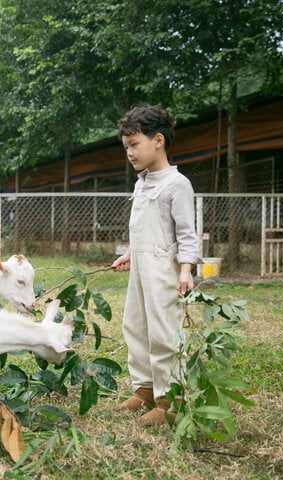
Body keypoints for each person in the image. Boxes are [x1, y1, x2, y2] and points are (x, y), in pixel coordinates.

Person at [110, 105, 199, 427]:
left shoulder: (177, 184)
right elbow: (143, 228)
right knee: (135, 326)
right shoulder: (141, 183)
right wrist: (131, 253)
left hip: (164, 270)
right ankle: (144, 390)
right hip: (140, 268)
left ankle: (170, 400)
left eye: (134, 145)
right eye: (126, 147)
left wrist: (186, 270)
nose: (130, 153)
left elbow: (186, 234)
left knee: (163, 332)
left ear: (158, 140)